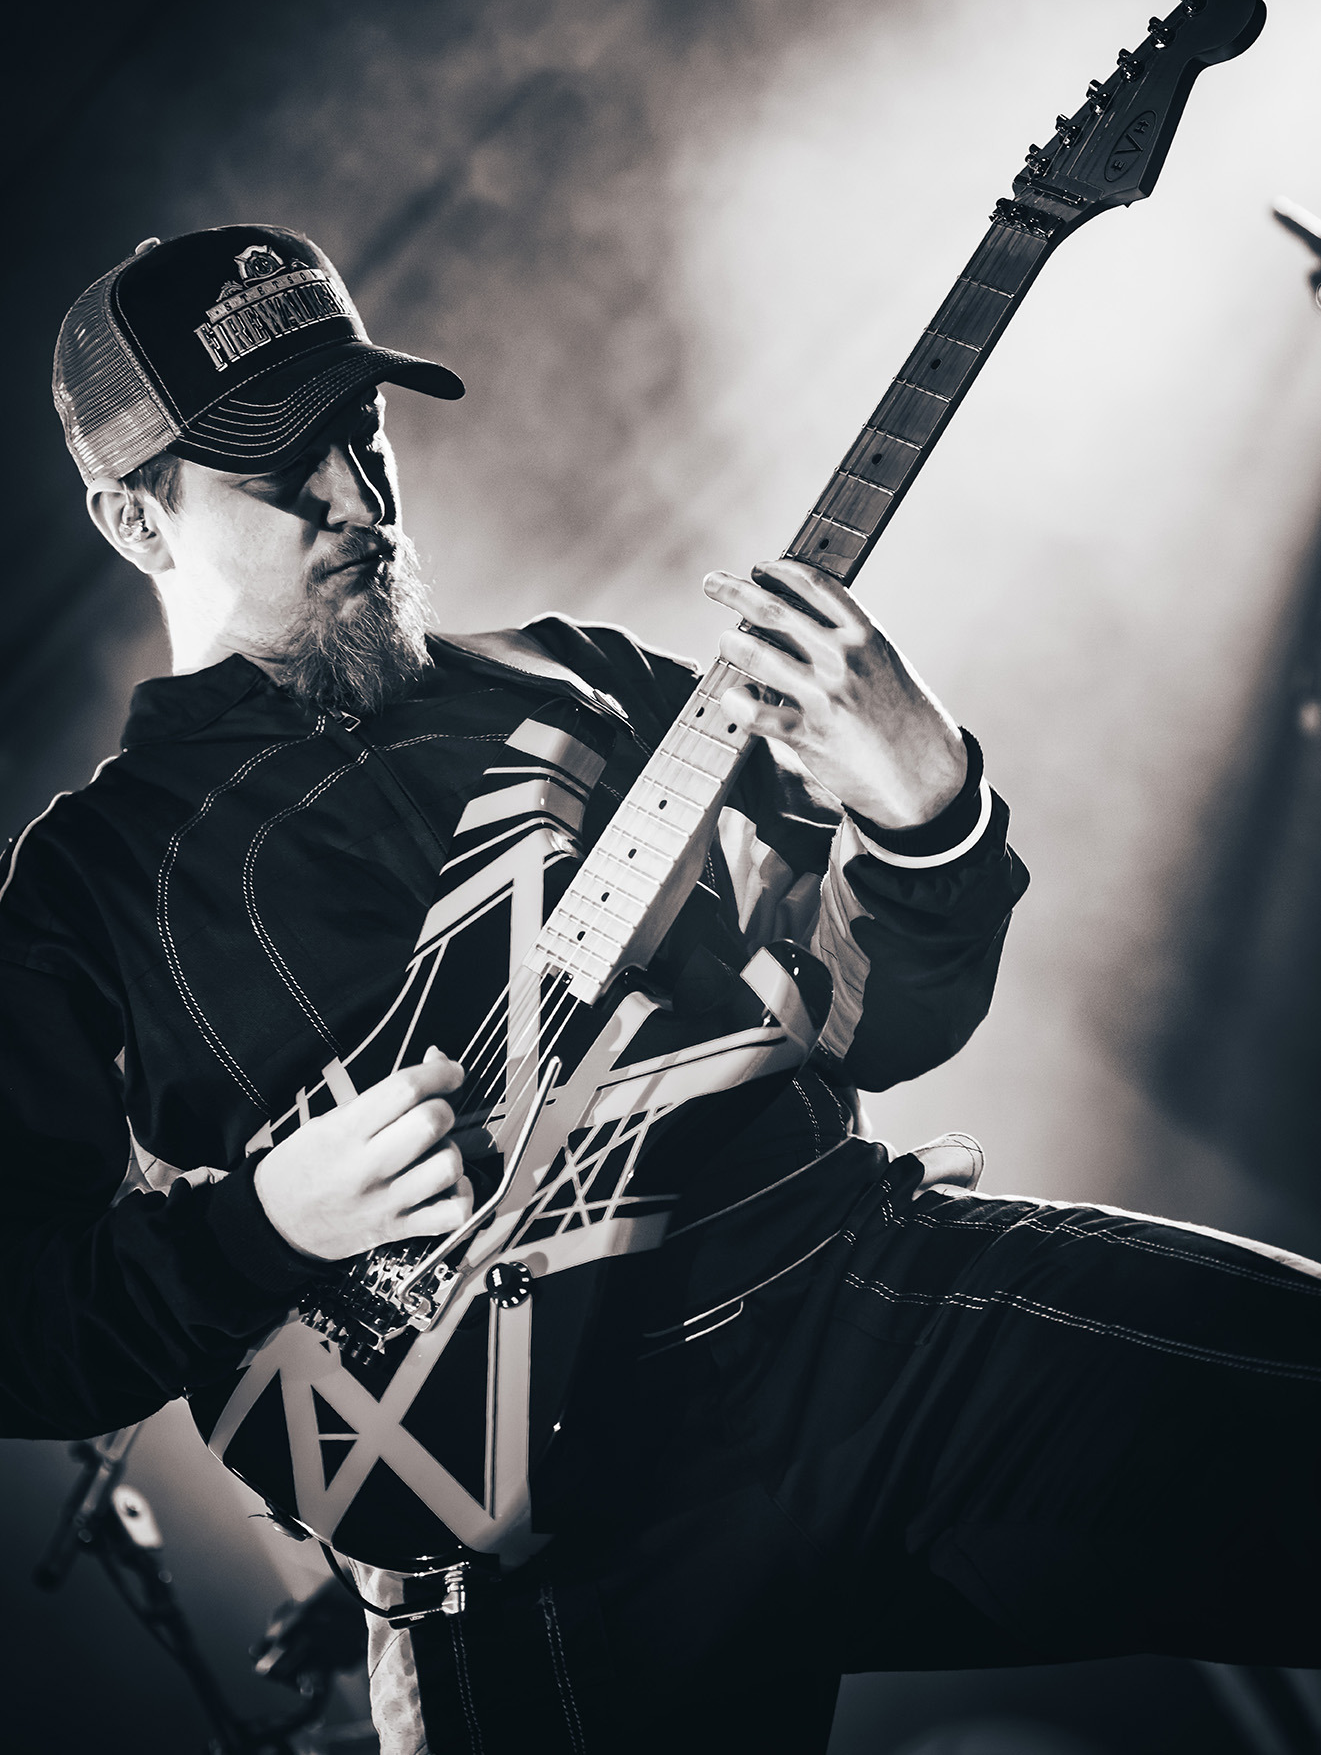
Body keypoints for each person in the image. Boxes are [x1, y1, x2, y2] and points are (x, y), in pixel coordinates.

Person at [2, 225, 1317, 1755]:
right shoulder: (87, 884)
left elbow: (874, 1021)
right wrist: (264, 1222)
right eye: (279, 470)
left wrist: (927, 815)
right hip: (531, 1551)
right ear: (131, 513)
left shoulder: (579, 681)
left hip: (851, 1300)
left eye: (362, 435)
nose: (355, 497)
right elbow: (23, 1323)